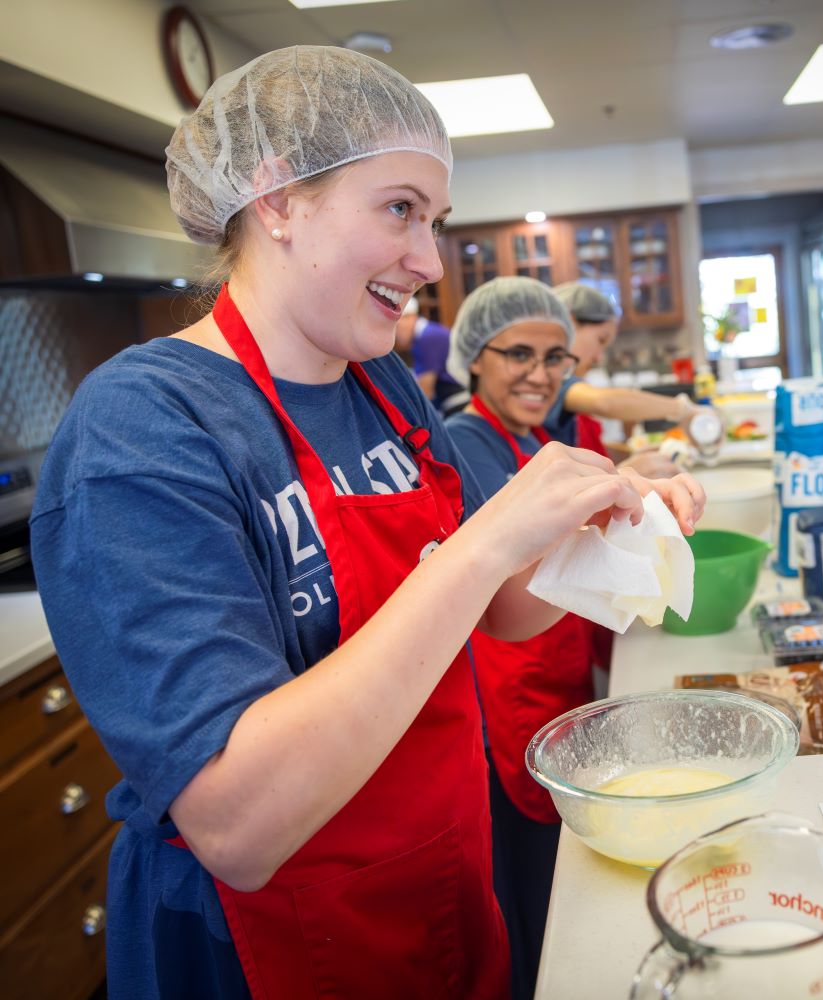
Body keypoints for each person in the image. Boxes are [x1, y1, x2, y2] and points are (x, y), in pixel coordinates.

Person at [29, 46, 702, 1000]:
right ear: (278, 199)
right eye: (398, 210)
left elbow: (499, 612)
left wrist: (601, 533)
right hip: (271, 943)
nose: (429, 262)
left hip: (441, 879)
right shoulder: (143, 431)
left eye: (435, 221)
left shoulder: (379, 382)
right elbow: (241, 825)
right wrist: (486, 538)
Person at [442, 276, 702, 1000]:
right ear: (474, 357)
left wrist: (626, 481)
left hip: (553, 674)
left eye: (558, 357)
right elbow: (515, 567)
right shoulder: (466, 442)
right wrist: (617, 483)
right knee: (534, 894)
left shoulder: (527, 435)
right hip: (509, 689)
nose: (542, 373)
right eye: (518, 353)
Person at [544, 282, 712, 477]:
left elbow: (580, 454)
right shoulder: (551, 382)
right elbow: (605, 402)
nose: (599, 357)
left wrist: (634, 456)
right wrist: (682, 409)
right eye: (600, 340)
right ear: (570, 323)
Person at [393, 294, 467, 413]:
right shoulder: (424, 335)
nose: (395, 335)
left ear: (410, 318)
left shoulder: (428, 337)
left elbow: (426, 391)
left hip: (459, 401)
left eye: (397, 326)